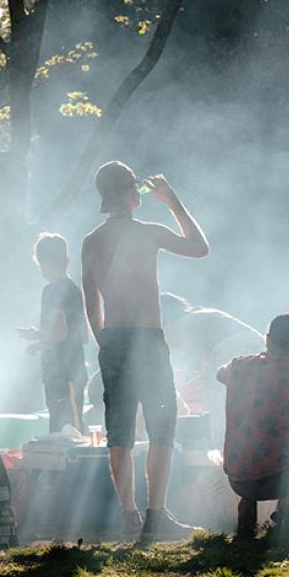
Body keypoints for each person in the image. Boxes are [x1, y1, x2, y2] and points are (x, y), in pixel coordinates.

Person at [81, 161, 209, 542]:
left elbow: (90, 299)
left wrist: (103, 340)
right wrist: (173, 202)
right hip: (147, 339)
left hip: (114, 338)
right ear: (131, 194)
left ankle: (130, 516)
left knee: (119, 433)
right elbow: (200, 247)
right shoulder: (146, 232)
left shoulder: (90, 240)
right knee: (162, 428)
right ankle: (155, 516)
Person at [217, 312, 289, 539]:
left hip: (237, 476)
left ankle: (247, 513)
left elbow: (219, 373)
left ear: (267, 338)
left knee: (261, 448)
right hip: (275, 479)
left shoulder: (238, 366)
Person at [160, 293, 263, 438]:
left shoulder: (177, 324)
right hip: (261, 350)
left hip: (233, 350)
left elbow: (162, 359)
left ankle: (220, 448)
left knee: (218, 407)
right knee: (256, 404)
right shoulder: (200, 315)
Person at [19, 233, 88, 433]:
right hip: (75, 368)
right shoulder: (75, 290)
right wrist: (41, 344)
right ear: (67, 260)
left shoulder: (51, 291)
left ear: (41, 262)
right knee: (73, 426)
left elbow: (59, 333)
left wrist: (37, 335)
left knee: (64, 431)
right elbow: (83, 335)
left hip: (60, 372)